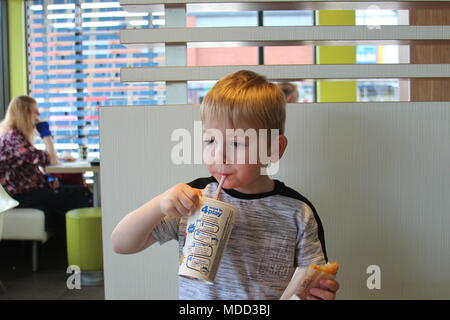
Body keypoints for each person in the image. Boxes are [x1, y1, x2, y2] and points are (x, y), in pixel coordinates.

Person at [111, 71, 339, 300]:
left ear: (272, 148)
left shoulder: (297, 212)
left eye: (237, 143)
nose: (219, 155)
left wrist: (318, 293)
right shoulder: (193, 200)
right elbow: (121, 244)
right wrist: (160, 204)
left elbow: (312, 282)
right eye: (210, 140)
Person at [0, 96, 92, 234]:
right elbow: (51, 160)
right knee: (82, 194)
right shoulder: (13, 139)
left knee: (74, 191)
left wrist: (47, 178)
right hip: (19, 196)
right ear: (24, 114)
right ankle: (85, 236)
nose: (38, 116)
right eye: (35, 112)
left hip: (25, 191)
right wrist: (45, 133)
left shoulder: (13, 135)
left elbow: (33, 163)